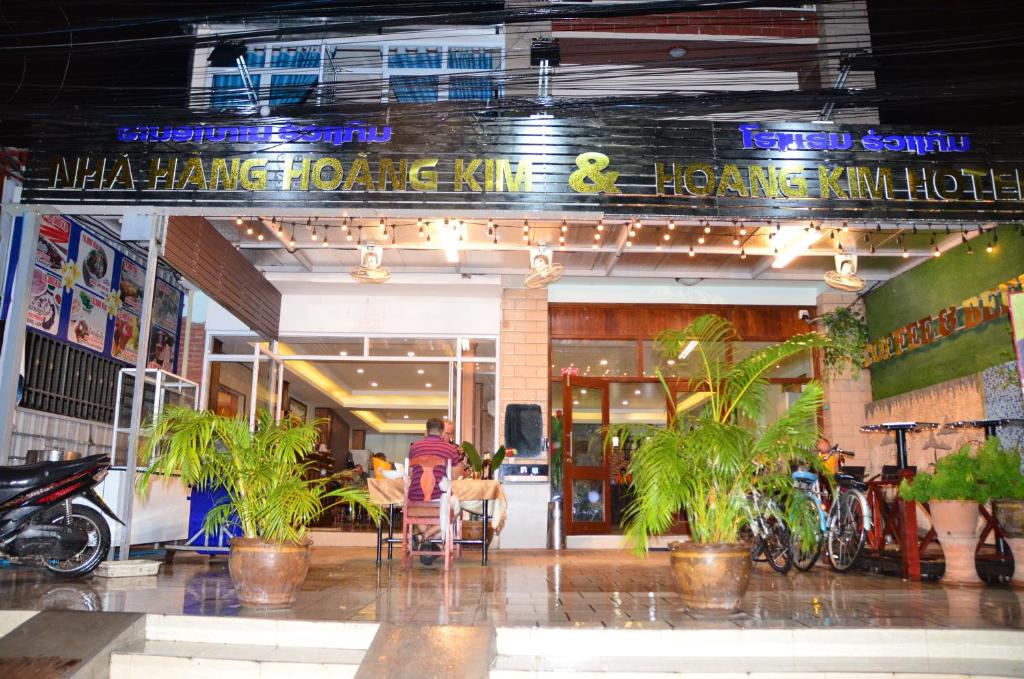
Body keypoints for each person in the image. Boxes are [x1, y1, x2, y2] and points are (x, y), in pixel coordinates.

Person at [408, 418, 463, 563]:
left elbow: (411, 474)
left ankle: (424, 539)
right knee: (456, 508)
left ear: (426, 430)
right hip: (438, 500)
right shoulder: (450, 448)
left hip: (415, 501)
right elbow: (456, 473)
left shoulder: (414, 447)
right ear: (441, 431)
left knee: (424, 518)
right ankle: (426, 539)